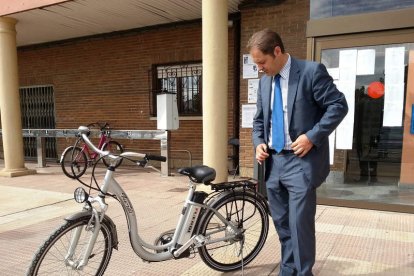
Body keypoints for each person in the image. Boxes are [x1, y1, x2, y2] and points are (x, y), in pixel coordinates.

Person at [248, 29, 348, 276]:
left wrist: (312, 137)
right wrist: (259, 142)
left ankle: (303, 273)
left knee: (299, 224)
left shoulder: (311, 72)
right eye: (256, 64)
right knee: (282, 224)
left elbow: (338, 105)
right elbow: (259, 122)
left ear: (277, 51)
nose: (259, 68)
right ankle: (287, 269)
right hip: (272, 163)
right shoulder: (264, 83)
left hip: (300, 162)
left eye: (262, 62)